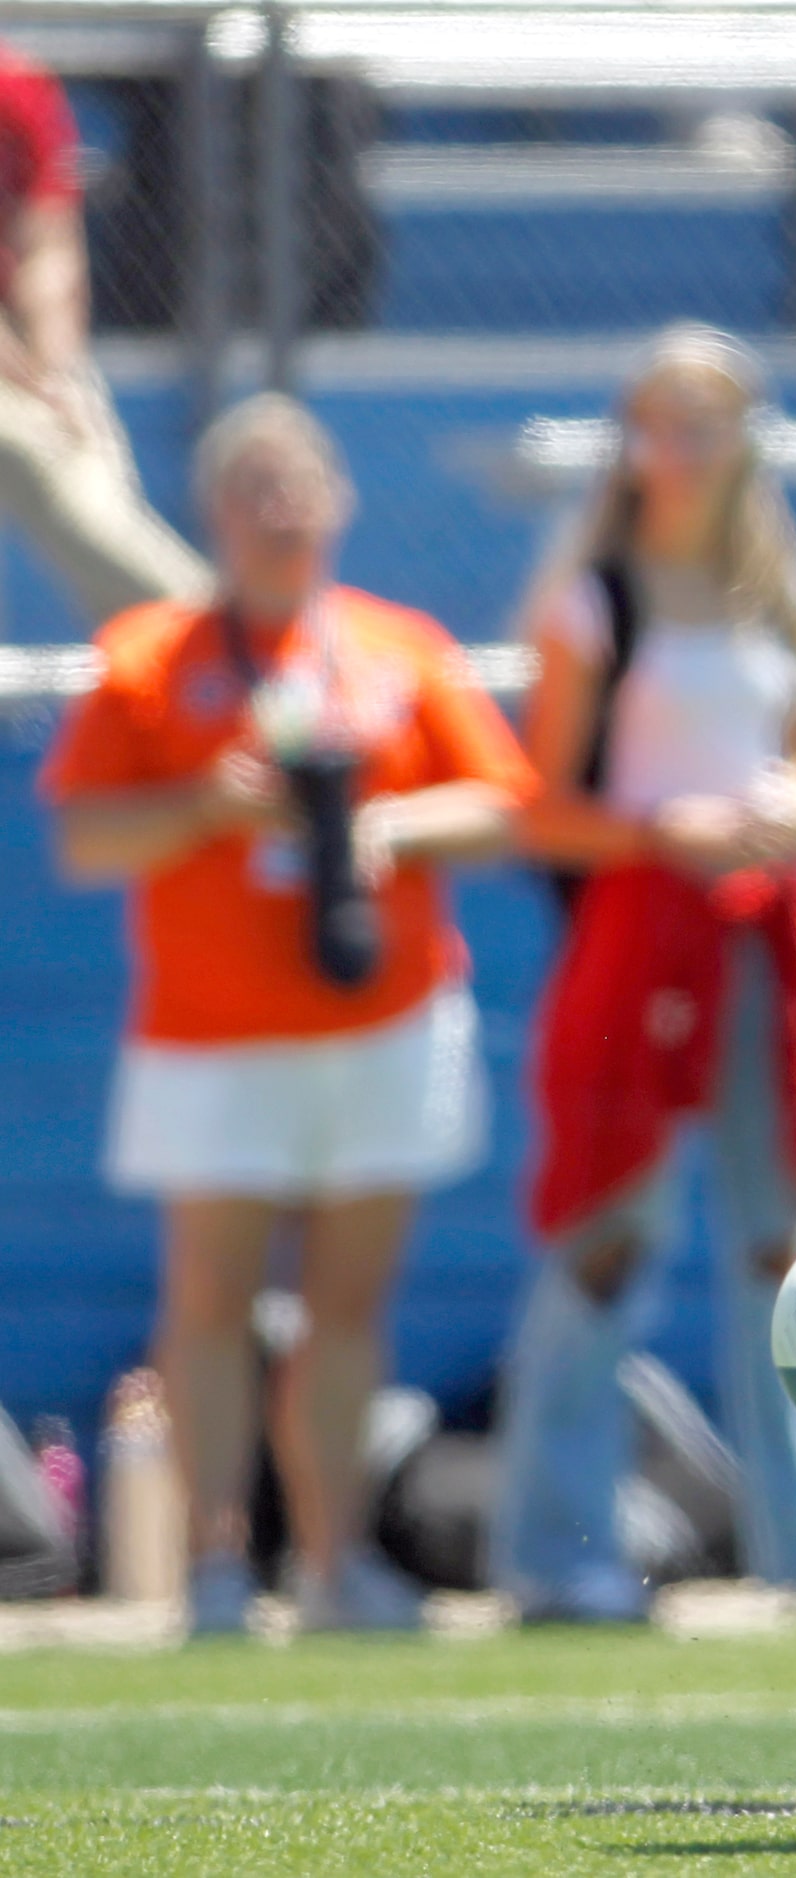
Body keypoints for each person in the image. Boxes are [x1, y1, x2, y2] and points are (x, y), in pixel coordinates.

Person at [39, 392, 538, 1635]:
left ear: (337, 499)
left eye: (297, 483)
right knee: (206, 1301)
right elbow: (88, 840)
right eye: (251, 489)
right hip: (212, 1034)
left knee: (347, 1307)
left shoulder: (395, 647)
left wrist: (383, 828)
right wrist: (206, 806)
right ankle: (214, 1568)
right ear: (213, 513)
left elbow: (502, 805)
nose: (279, 511)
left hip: (381, 1019)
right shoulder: (155, 655)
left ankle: (333, 1562)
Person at [495, 323, 796, 1624]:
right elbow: (544, 808)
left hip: (767, 935)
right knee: (607, 1231)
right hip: (640, 935)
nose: (680, 450)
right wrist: (664, 831)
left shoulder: (778, 586)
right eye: (658, 421)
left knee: (790, 1240)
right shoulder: (592, 596)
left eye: (706, 422)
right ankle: (556, 1548)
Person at [0, 41, 210, 627]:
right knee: (48, 470)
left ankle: (162, 681)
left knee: (94, 469)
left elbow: (50, 244)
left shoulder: (17, 83)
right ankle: (214, 638)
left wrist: (52, 372)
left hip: (21, 344)